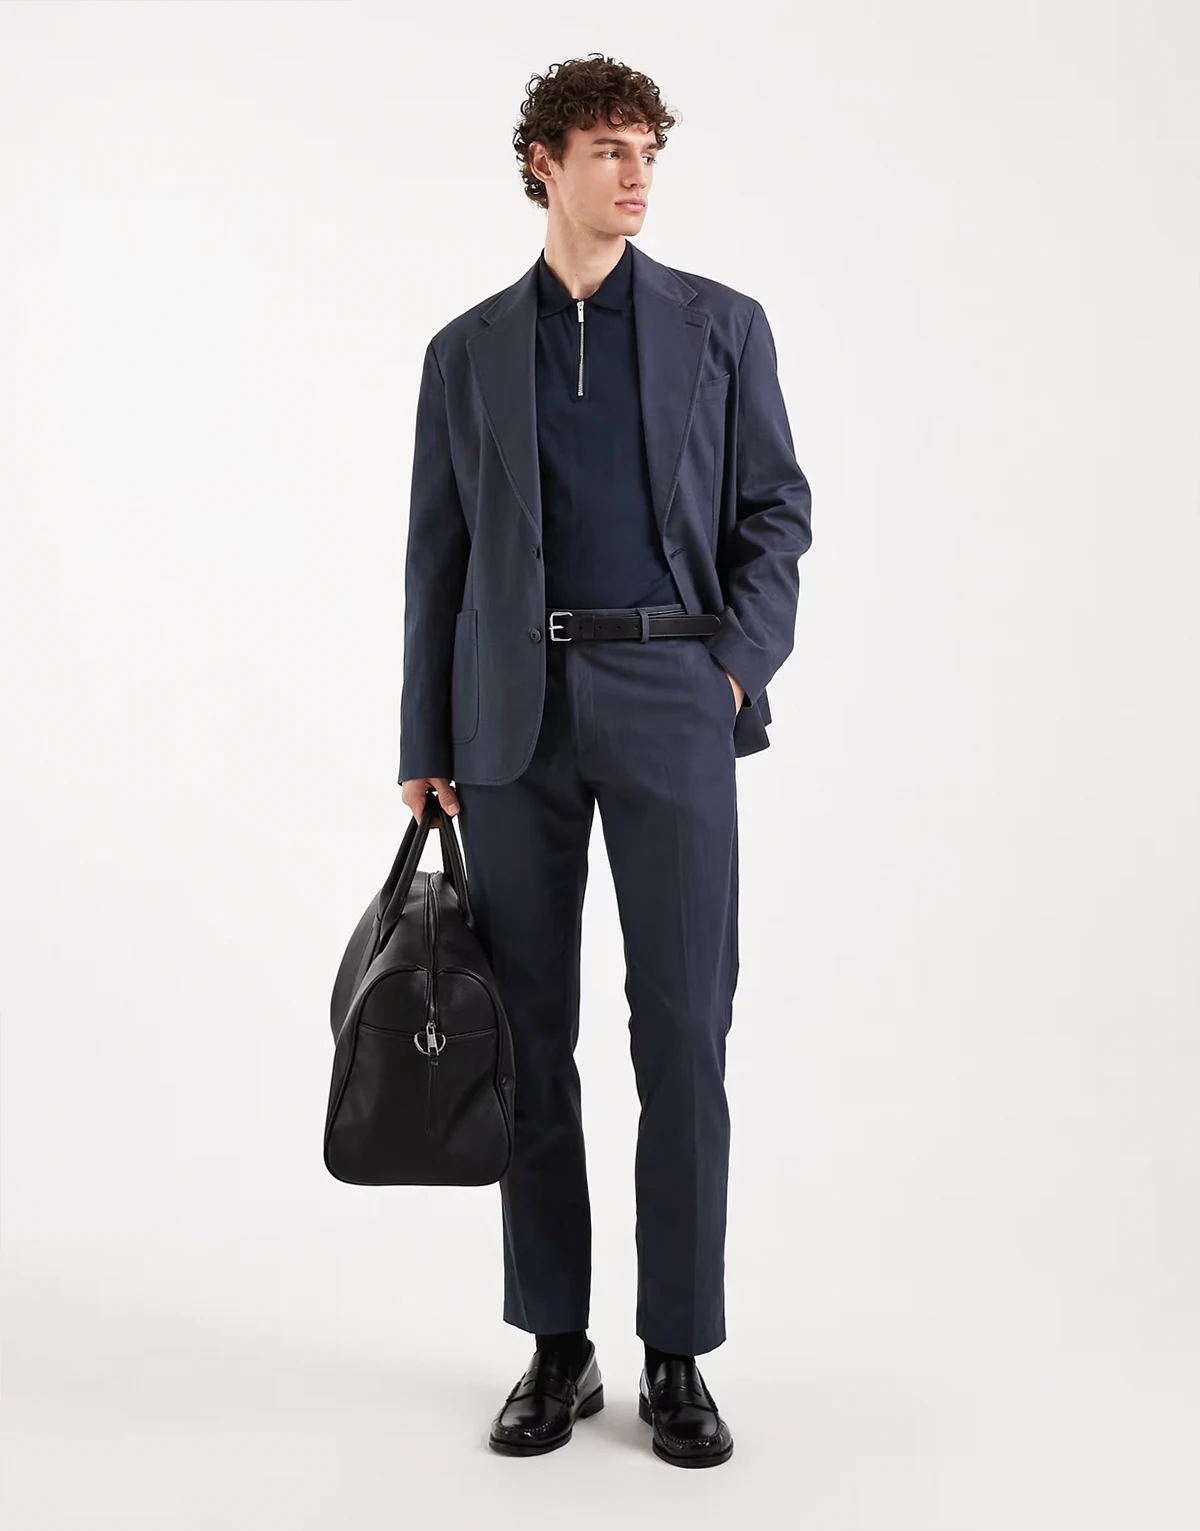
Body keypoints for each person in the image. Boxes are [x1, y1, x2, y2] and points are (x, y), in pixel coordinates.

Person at [397, 54, 812, 1467]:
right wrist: (423, 740)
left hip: (671, 691)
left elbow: (777, 510)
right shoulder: (465, 352)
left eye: (648, 153)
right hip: (510, 715)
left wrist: (734, 665)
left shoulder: (722, 327)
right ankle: (556, 1345)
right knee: (527, 1038)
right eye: (608, 152)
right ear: (545, 164)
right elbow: (436, 558)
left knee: (684, 1029)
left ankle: (677, 1350)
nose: (636, 176)